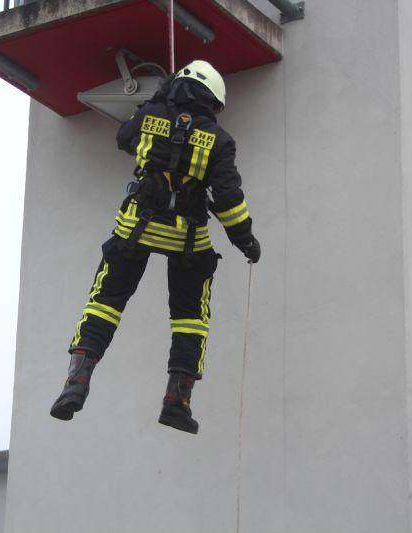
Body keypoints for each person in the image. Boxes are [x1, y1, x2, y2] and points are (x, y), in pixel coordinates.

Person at [49, 60, 260, 434]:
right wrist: (245, 240)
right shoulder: (220, 140)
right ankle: (177, 402)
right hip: (187, 239)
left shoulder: (148, 116)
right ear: (211, 100)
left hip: (136, 228)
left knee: (105, 302)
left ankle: (76, 383)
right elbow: (228, 199)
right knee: (190, 317)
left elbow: (124, 139)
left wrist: (155, 104)